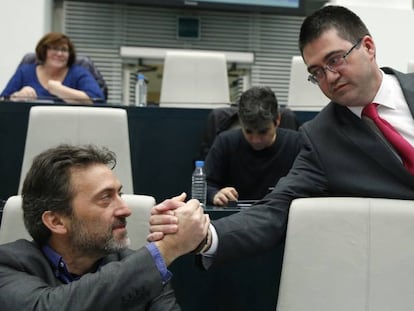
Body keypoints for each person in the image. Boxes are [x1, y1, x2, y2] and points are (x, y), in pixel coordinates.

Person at [148, 5, 414, 268]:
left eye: (335, 60)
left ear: (368, 46)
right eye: (317, 73)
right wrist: (205, 236)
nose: (329, 77)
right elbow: (275, 210)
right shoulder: (322, 138)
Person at [0, 144, 209, 310]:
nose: (125, 209)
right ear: (56, 221)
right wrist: (166, 249)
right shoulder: (8, 265)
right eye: (105, 198)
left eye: (119, 194)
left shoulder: (137, 267)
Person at [205, 86, 302, 206]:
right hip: (235, 218)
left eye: (263, 132)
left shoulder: (297, 144)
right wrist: (215, 194)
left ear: (277, 120)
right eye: (248, 131)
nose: (255, 140)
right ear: (240, 122)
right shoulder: (225, 142)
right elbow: (204, 185)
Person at [0, 32, 104, 104]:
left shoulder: (79, 73)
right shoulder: (25, 72)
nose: (59, 53)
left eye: (64, 50)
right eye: (54, 48)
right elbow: (3, 101)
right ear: (44, 51)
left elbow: (97, 100)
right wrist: (18, 96)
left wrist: (60, 90)